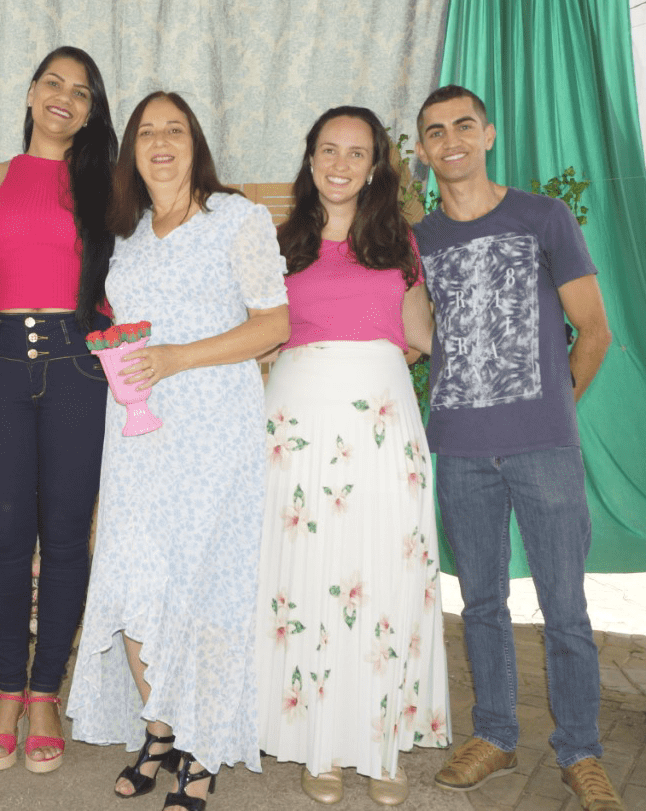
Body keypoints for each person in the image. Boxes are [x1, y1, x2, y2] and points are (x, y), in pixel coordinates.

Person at [66, 91, 289, 811]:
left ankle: (200, 747)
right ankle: (159, 729)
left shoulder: (238, 218)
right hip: (137, 432)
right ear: (131, 150)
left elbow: (273, 325)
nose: (161, 142)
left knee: (203, 583)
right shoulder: (125, 234)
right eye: (147, 132)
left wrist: (176, 357)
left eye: (175, 130)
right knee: (134, 577)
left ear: (196, 144)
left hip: (213, 425)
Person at [410, 85, 620, 811]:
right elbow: (413, 333)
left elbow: (595, 331)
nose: (452, 140)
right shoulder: (419, 241)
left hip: (543, 448)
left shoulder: (543, 217)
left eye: (463, 125)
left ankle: (581, 752)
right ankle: (495, 735)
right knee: (481, 603)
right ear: (423, 150)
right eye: (436, 132)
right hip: (460, 449)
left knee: (566, 609)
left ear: (488, 134)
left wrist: (553, 409)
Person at [255, 106, 450, 807]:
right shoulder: (278, 245)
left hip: (381, 426)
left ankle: (381, 741)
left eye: (356, 152)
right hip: (297, 426)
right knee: (306, 575)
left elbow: (422, 335)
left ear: (374, 168)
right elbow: (258, 336)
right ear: (310, 160)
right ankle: (322, 744)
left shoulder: (402, 243)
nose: (340, 163)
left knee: (383, 573)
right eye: (328, 150)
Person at [0, 46, 117, 774]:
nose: (65, 97)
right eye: (54, 83)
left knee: (64, 536)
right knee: (5, 534)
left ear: (90, 112)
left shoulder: (106, 187)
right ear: (29, 93)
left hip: (76, 366)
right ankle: (7, 689)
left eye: (81, 91)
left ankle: (46, 689)